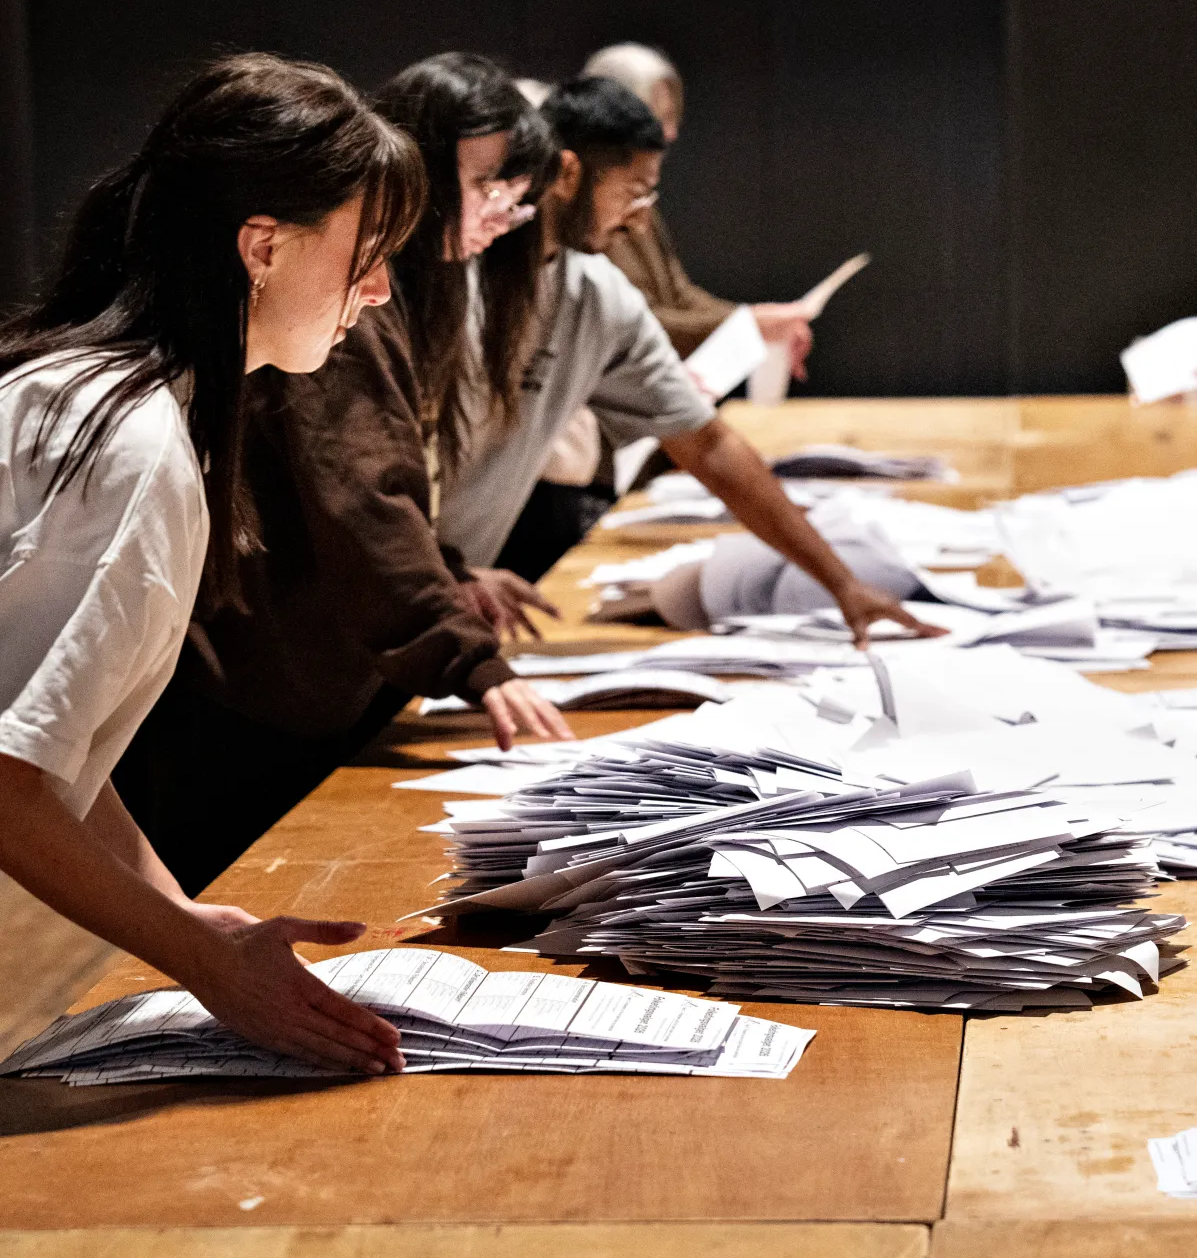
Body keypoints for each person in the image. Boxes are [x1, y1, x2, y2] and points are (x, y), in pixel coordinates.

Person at [0, 52, 424, 1073]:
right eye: (367, 255)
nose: (377, 291)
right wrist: (206, 964)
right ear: (263, 247)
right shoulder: (129, 439)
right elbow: (9, 780)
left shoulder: (114, 398)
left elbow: (54, 749)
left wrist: (185, 917)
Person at [115, 54, 575, 897]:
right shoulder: (308, 318)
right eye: (488, 185)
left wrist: (449, 580)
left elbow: (367, 484)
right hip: (243, 696)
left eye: (517, 196)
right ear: (261, 244)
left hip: (273, 682)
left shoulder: (370, 298)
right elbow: (360, 494)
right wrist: (466, 656)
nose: (503, 215)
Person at [435, 75, 942, 651]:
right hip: (394, 584)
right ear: (569, 174)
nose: (639, 220)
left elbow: (707, 443)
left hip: (435, 593)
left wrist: (842, 584)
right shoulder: (453, 277)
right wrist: (442, 570)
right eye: (634, 193)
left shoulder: (598, 295)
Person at [583, 43, 816, 364]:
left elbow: (677, 295)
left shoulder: (639, 197)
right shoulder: (579, 210)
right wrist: (748, 325)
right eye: (656, 118)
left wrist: (752, 320)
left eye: (671, 117)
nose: (670, 133)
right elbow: (625, 324)